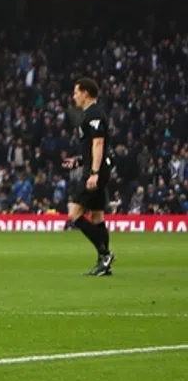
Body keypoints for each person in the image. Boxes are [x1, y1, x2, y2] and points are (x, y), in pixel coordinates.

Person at [67, 77, 115, 276]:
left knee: (74, 213)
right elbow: (91, 147)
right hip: (96, 168)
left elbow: (98, 144)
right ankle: (104, 264)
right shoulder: (90, 114)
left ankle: (105, 254)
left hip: (95, 172)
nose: (74, 96)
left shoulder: (93, 113)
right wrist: (78, 161)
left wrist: (93, 172)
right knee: (97, 216)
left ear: (86, 93)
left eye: (76, 92)